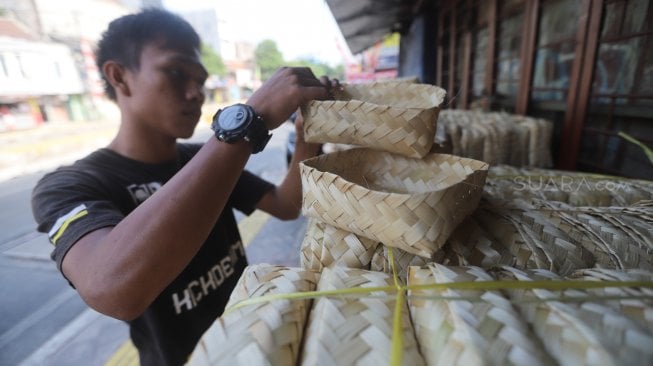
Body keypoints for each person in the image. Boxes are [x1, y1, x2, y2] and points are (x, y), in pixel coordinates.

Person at [31, 8, 337, 366]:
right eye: (175, 72)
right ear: (119, 76)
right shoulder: (70, 185)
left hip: (249, 341)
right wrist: (246, 122)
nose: (195, 93)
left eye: (200, 80)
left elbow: (285, 205)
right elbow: (112, 289)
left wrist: (305, 136)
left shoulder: (206, 158)